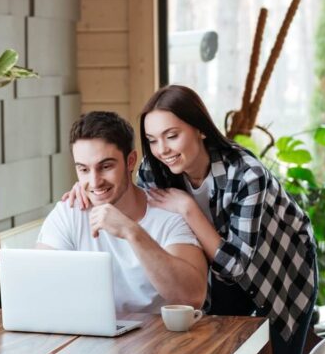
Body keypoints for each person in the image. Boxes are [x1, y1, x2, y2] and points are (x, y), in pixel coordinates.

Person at [63, 85, 317, 354]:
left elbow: (236, 267)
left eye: (172, 136)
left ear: (200, 129)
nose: (163, 149)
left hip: (280, 272)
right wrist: (89, 188)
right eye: (153, 141)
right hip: (219, 278)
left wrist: (187, 208)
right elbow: (128, 197)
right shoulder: (154, 171)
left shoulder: (248, 174)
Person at [37, 110, 207, 317]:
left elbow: (193, 298)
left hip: (158, 342)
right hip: (90, 338)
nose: (95, 181)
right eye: (83, 170)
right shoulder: (69, 213)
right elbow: (40, 286)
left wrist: (132, 232)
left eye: (105, 166)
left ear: (130, 161)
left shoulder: (168, 215)